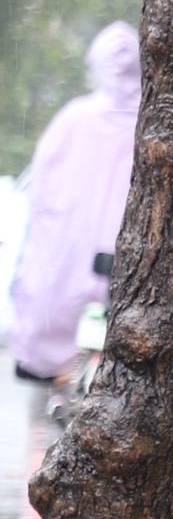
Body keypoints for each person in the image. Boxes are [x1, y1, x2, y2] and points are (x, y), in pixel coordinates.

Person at [11, 24, 140, 387]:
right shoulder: (156, 123)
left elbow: (42, 203)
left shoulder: (72, 120)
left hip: (67, 276)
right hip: (128, 271)